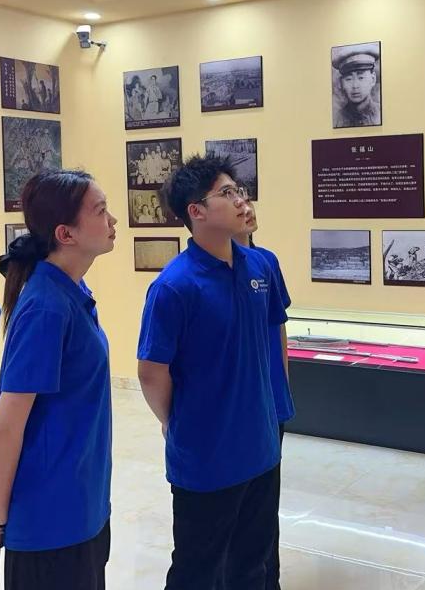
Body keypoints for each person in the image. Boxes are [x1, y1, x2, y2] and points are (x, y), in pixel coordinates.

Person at [137, 154, 285, 590]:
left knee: (253, 565)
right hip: (206, 455)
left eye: (238, 190)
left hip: (260, 447)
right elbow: (151, 372)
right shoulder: (174, 286)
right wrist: (175, 421)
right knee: (198, 570)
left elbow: (271, 344)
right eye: (226, 193)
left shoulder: (259, 267)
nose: (240, 200)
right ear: (196, 212)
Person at [0, 170, 117, 589]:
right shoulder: (46, 308)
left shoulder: (72, 290)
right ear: (65, 234)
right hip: (51, 524)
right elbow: (4, 427)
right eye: (100, 211)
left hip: (84, 507)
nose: (113, 220)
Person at [234, 200, 293, 590]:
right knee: (237, 505)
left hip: (271, 400)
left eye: (246, 197)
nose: (246, 206)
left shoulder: (266, 262)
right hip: (238, 406)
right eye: (233, 197)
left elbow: (279, 327)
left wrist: (282, 385)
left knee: (266, 502)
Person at [331, 45, 381, 128]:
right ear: (341, 83)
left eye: (361, 78)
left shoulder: (382, 112)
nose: (355, 86)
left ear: (373, 79)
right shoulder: (336, 119)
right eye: (349, 79)